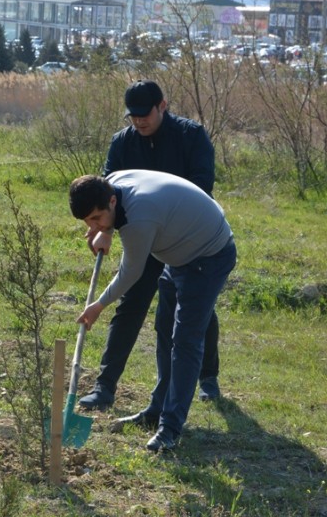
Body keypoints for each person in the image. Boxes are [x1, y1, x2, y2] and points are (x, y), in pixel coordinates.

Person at [79, 80, 223, 418]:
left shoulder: (191, 137)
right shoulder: (122, 142)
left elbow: (201, 189)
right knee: (130, 304)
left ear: (163, 105)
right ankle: (105, 386)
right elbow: (106, 194)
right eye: (133, 117)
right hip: (141, 238)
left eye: (145, 115)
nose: (139, 122)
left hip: (184, 241)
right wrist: (104, 232)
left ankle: (208, 377)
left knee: (196, 310)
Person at [70, 171, 236, 452]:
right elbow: (113, 219)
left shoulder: (140, 219)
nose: (93, 226)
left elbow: (130, 273)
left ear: (111, 201)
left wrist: (98, 305)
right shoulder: (113, 181)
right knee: (164, 331)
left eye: (96, 219)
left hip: (208, 256)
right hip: (178, 253)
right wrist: (105, 229)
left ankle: (170, 428)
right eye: (87, 222)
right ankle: (157, 410)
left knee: (185, 342)